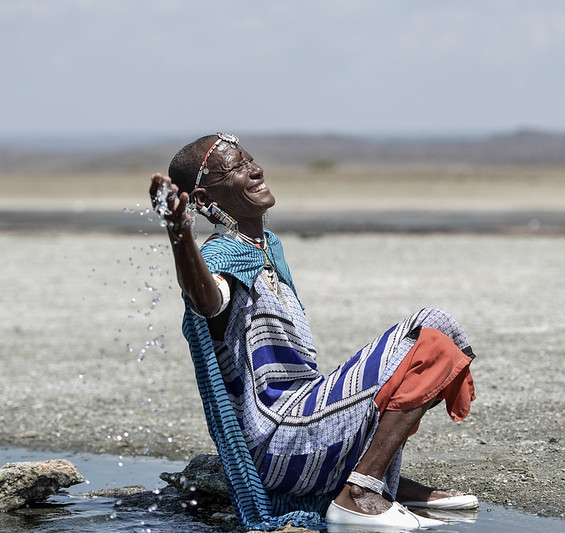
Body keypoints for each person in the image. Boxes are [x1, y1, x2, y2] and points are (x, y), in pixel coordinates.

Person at [149, 132, 478, 530]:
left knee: (432, 331)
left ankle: (368, 476)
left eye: (250, 160)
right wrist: (179, 234)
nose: (255, 169)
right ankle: (361, 491)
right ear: (203, 200)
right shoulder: (218, 258)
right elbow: (206, 301)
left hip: (306, 411)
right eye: (236, 167)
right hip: (276, 438)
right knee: (430, 337)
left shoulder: (268, 246)